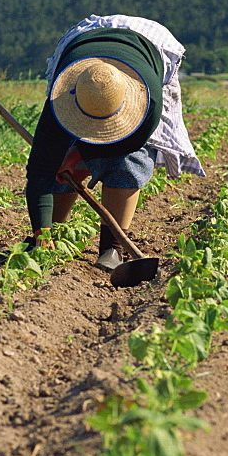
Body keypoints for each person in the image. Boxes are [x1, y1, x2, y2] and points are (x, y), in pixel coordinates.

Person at [25, 14, 205, 270]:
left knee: (129, 161)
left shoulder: (148, 102)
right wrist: (40, 231)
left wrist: (80, 157)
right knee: (58, 160)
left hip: (148, 46)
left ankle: (113, 247)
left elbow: (129, 144)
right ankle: (52, 233)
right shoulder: (61, 99)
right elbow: (39, 171)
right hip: (82, 47)